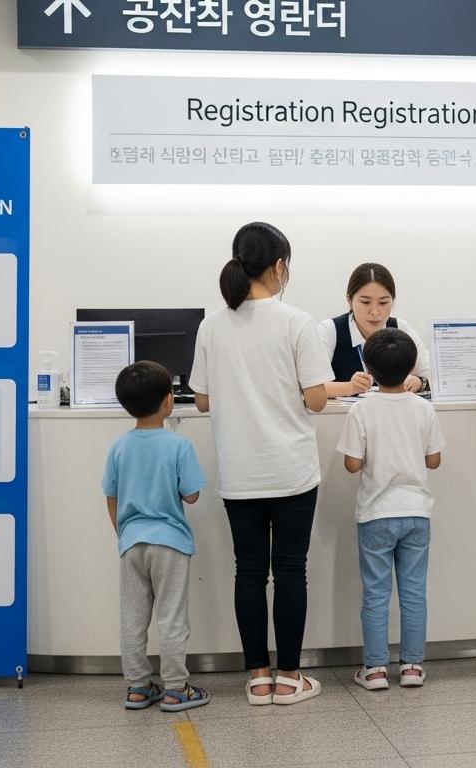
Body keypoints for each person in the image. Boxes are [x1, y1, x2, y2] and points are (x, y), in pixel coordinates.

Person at [190, 221, 333, 706]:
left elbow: (202, 400)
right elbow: (316, 401)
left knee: (248, 571)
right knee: (292, 570)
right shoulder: (297, 322)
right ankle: (290, 678)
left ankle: (257, 677)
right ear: (278, 266)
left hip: (240, 471)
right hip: (292, 468)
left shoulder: (212, 325)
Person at [337, 328, 445, 690]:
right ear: (411, 366)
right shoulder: (424, 408)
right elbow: (434, 460)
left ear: (368, 365)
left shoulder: (361, 410)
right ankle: (412, 667)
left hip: (376, 514)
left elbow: (352, 465)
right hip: (416, 513)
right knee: (414, 592)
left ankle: (375, 669)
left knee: (376, 593)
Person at [103, 361, 210, 712]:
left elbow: (111, 496)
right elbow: (192, 494)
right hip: (171, 543)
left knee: (133, 617)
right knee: (171, 616)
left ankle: (137, 686)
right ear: (169, 401)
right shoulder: (178, 446)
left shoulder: (118, 447)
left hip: (131, 542)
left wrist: (125, 533)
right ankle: (177, 688)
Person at [319, 263, 431, 397]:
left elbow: (432, 375)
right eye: (365, 302)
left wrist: (419, 382)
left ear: (393, 301)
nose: (375, 312)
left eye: (383, 303)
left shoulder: (401, 328)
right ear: (349, 300)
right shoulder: (330, 330)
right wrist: (349, 387)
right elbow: (312, 387)